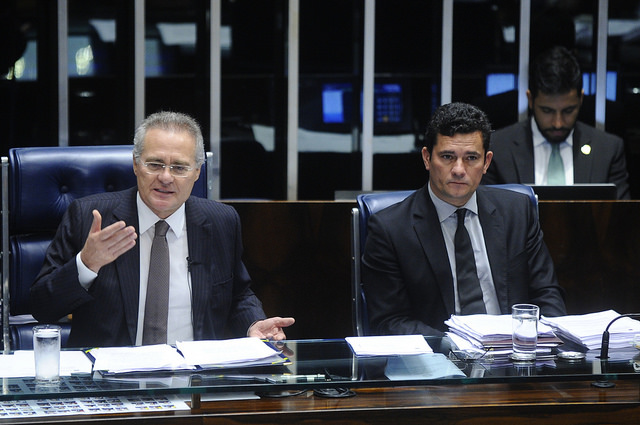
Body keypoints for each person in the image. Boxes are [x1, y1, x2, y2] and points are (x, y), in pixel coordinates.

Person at [30, 111, 294, 348]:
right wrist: (86, 265)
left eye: (179, 167)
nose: (166, 177)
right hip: (109, 383)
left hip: (196, 382)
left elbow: (238, 294)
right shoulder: (89, 217)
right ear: (135, 164)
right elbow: (42, 308)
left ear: (197, 172)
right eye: (154, 164)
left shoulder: (221, 221)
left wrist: (252, 324)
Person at [362, 102, 566, 337]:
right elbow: (389, 322)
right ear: (427, 158)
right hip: (439, 361)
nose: (459, 169)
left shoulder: (517, 212)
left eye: (471, 158)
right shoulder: (390, 229)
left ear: (486, 162)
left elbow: (547, 295)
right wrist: (457, 347)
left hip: (514, 356)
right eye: (448, 157)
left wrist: (541, 343)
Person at [482, 46, 630, 199]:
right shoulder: (498, 148)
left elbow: (620, 217)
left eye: (568, 110)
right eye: (547, 111)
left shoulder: (608, 150)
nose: (558, 123)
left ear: (581, 99)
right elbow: (488, 216)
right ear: (530, 100)